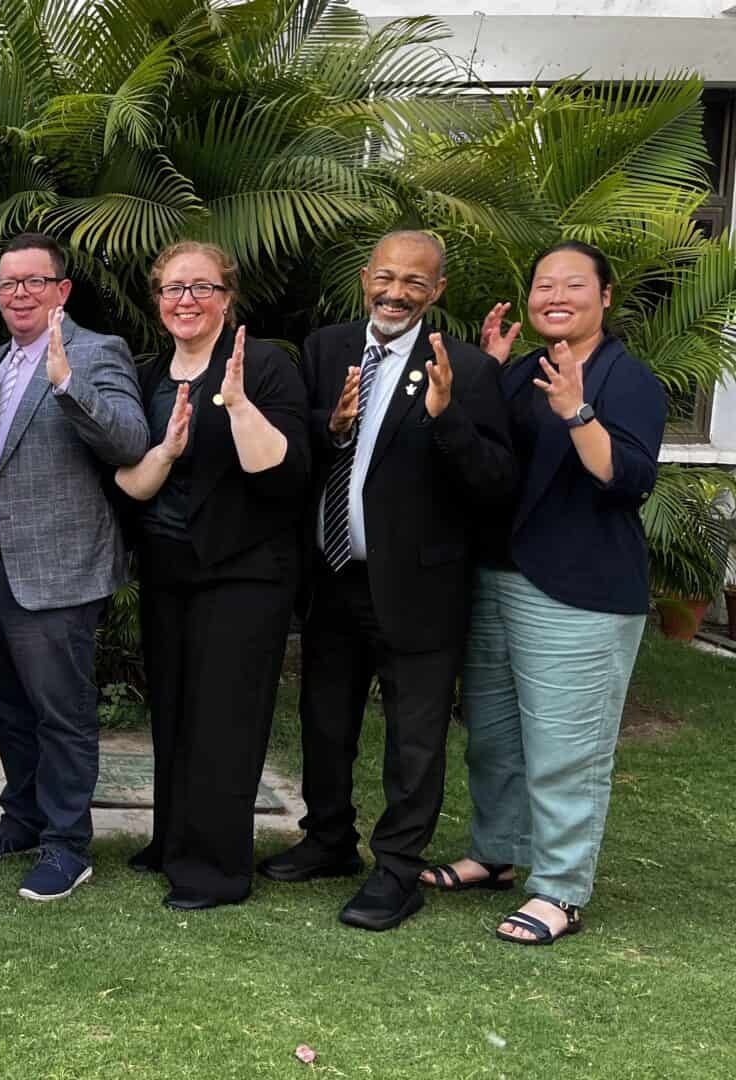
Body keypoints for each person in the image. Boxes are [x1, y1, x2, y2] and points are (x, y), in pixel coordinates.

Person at [259, 231, 515, 932]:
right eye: (387, 276)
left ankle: (397, 871)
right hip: (334, 577)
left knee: (414, 737)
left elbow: (496, 482)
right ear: (366, 276)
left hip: (420, 588)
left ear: (436, 293)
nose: (396, 292)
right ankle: (329, 839)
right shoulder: (325, 349)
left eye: (415, 282)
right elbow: (300, 449)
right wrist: (331, 426)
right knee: (325, 718)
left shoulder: (464, 368)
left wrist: (446, 417)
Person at [424, 241, 665, 945]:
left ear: (607, 296)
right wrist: (489, 371)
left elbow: (627, 480)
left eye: (573, 285)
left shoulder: (628, 380)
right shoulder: (527, 368)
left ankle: (560, 888)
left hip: (579, 590)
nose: (555, 296)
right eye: (542, 285)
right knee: (495, 738)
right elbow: (485, 457)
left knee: (567, 747)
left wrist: (578, 411)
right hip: (499, 576)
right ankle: (498, 853)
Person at [0, 232, 148, 902]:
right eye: (9, 284)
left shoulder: (96, 353)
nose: (21, 294)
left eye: (35, 281)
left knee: (61, 714)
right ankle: (25, 819)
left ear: (62, 290)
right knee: (6, 708)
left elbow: (128, 439)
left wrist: (66, 383)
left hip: (56, 573)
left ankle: (68, 844)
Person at [110, 241, 307, 911]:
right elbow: (131, 482)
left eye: (201, 288)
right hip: (169, 566)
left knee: (224, 719)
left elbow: (282, 472)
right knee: (173, 711)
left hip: (246, 571)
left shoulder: (266, 367)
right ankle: (172, 840)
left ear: (228, 296)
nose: (186, 300)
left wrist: (239, 403)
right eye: (173, 288)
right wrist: (165, 449)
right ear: (157, 300)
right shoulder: (145, 375)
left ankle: (215, 870)